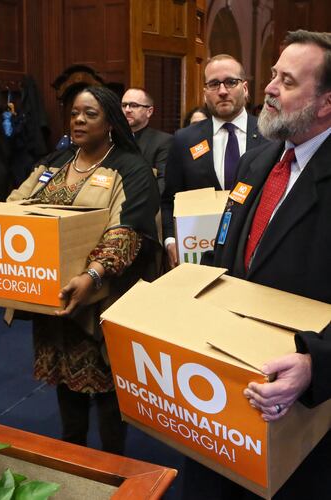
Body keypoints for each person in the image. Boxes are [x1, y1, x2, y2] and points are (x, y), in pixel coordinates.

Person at [195, 30, 331, 500]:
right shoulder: (257, 163)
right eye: (273, 75)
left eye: (287, 81)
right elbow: (227, 252)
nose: (269, 88)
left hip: (305, 419)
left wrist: (317, 363)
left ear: (326, 102)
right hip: (228, 386)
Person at [6, 86, 161, 454]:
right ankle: (74, 456)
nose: (78, 120)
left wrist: (93, 274)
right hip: (54, 297)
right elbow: (11, 209)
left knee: (107, 388)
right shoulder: (55, 162)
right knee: (65, 381)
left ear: (110, 122)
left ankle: (113, 465)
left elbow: (127, 230)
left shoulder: (131, 167)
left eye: (90, 114)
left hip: (102, 301)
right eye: (75, 113)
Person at [162, 55, 268, 269]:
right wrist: (171, 240)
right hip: (200, 254)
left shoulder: (271, 136)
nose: (222, 91)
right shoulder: (185, 140)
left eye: (230, 82)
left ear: (245, 88)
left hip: (256, 256)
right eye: (213, 84)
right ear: (205, 93)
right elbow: (169, 199)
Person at [121, 87, 173, 194]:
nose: (127, 110)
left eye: (134, 105)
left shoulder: (163, 141)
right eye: (124, 105)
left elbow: (162, 182)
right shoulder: (110, 139)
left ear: (149, 111)